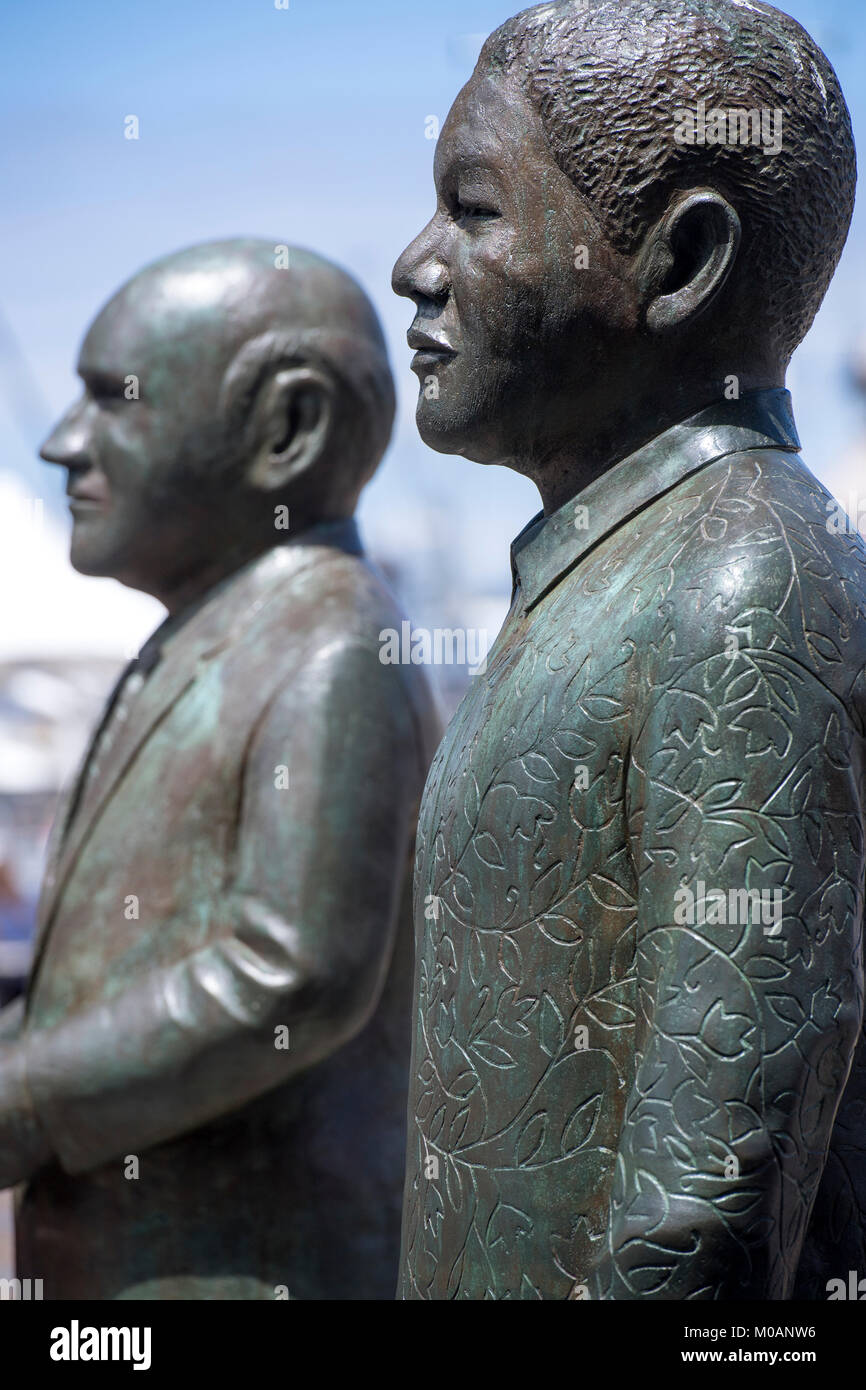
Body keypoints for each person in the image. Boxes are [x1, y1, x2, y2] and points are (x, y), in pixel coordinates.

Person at [392, 0, 864, 1299]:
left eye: (472, 210)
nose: (411, 265)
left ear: (678, 263)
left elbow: (703, 1202)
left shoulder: (738, 576)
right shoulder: (610, 565)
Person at [0, 238, 439, 1299]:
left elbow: (288, 971)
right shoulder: (227, 630)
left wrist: (24, 1098)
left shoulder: (330, 642)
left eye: (114, 400)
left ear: (286, 427)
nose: (64, 444)